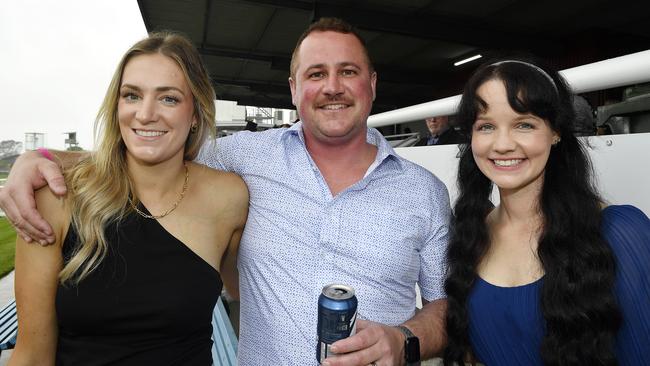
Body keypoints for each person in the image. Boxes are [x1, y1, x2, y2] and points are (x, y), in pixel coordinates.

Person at [1, 18, 450, 365]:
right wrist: (38, 157)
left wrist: (404, 340)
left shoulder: (424, 192)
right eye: (316, 74)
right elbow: (146, 148)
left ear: (372, 84)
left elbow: (447, 307)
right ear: (293, 89)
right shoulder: (246, 159)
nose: (331, 87)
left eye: (347, 71)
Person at [8, 32, 248, 365]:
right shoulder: (56, 200)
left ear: (195, 113)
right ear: (116, 105)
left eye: (169, 99)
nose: (146, 114)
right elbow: (33, 356)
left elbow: (252, 295)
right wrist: (36, 156)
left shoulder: (229, 199)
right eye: (132, 96)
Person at [442, 59, 650, 365]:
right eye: (486, 126)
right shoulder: (472, 235)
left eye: (524, 124)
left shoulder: (620, 233)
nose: (502, 144)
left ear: (555, 132)